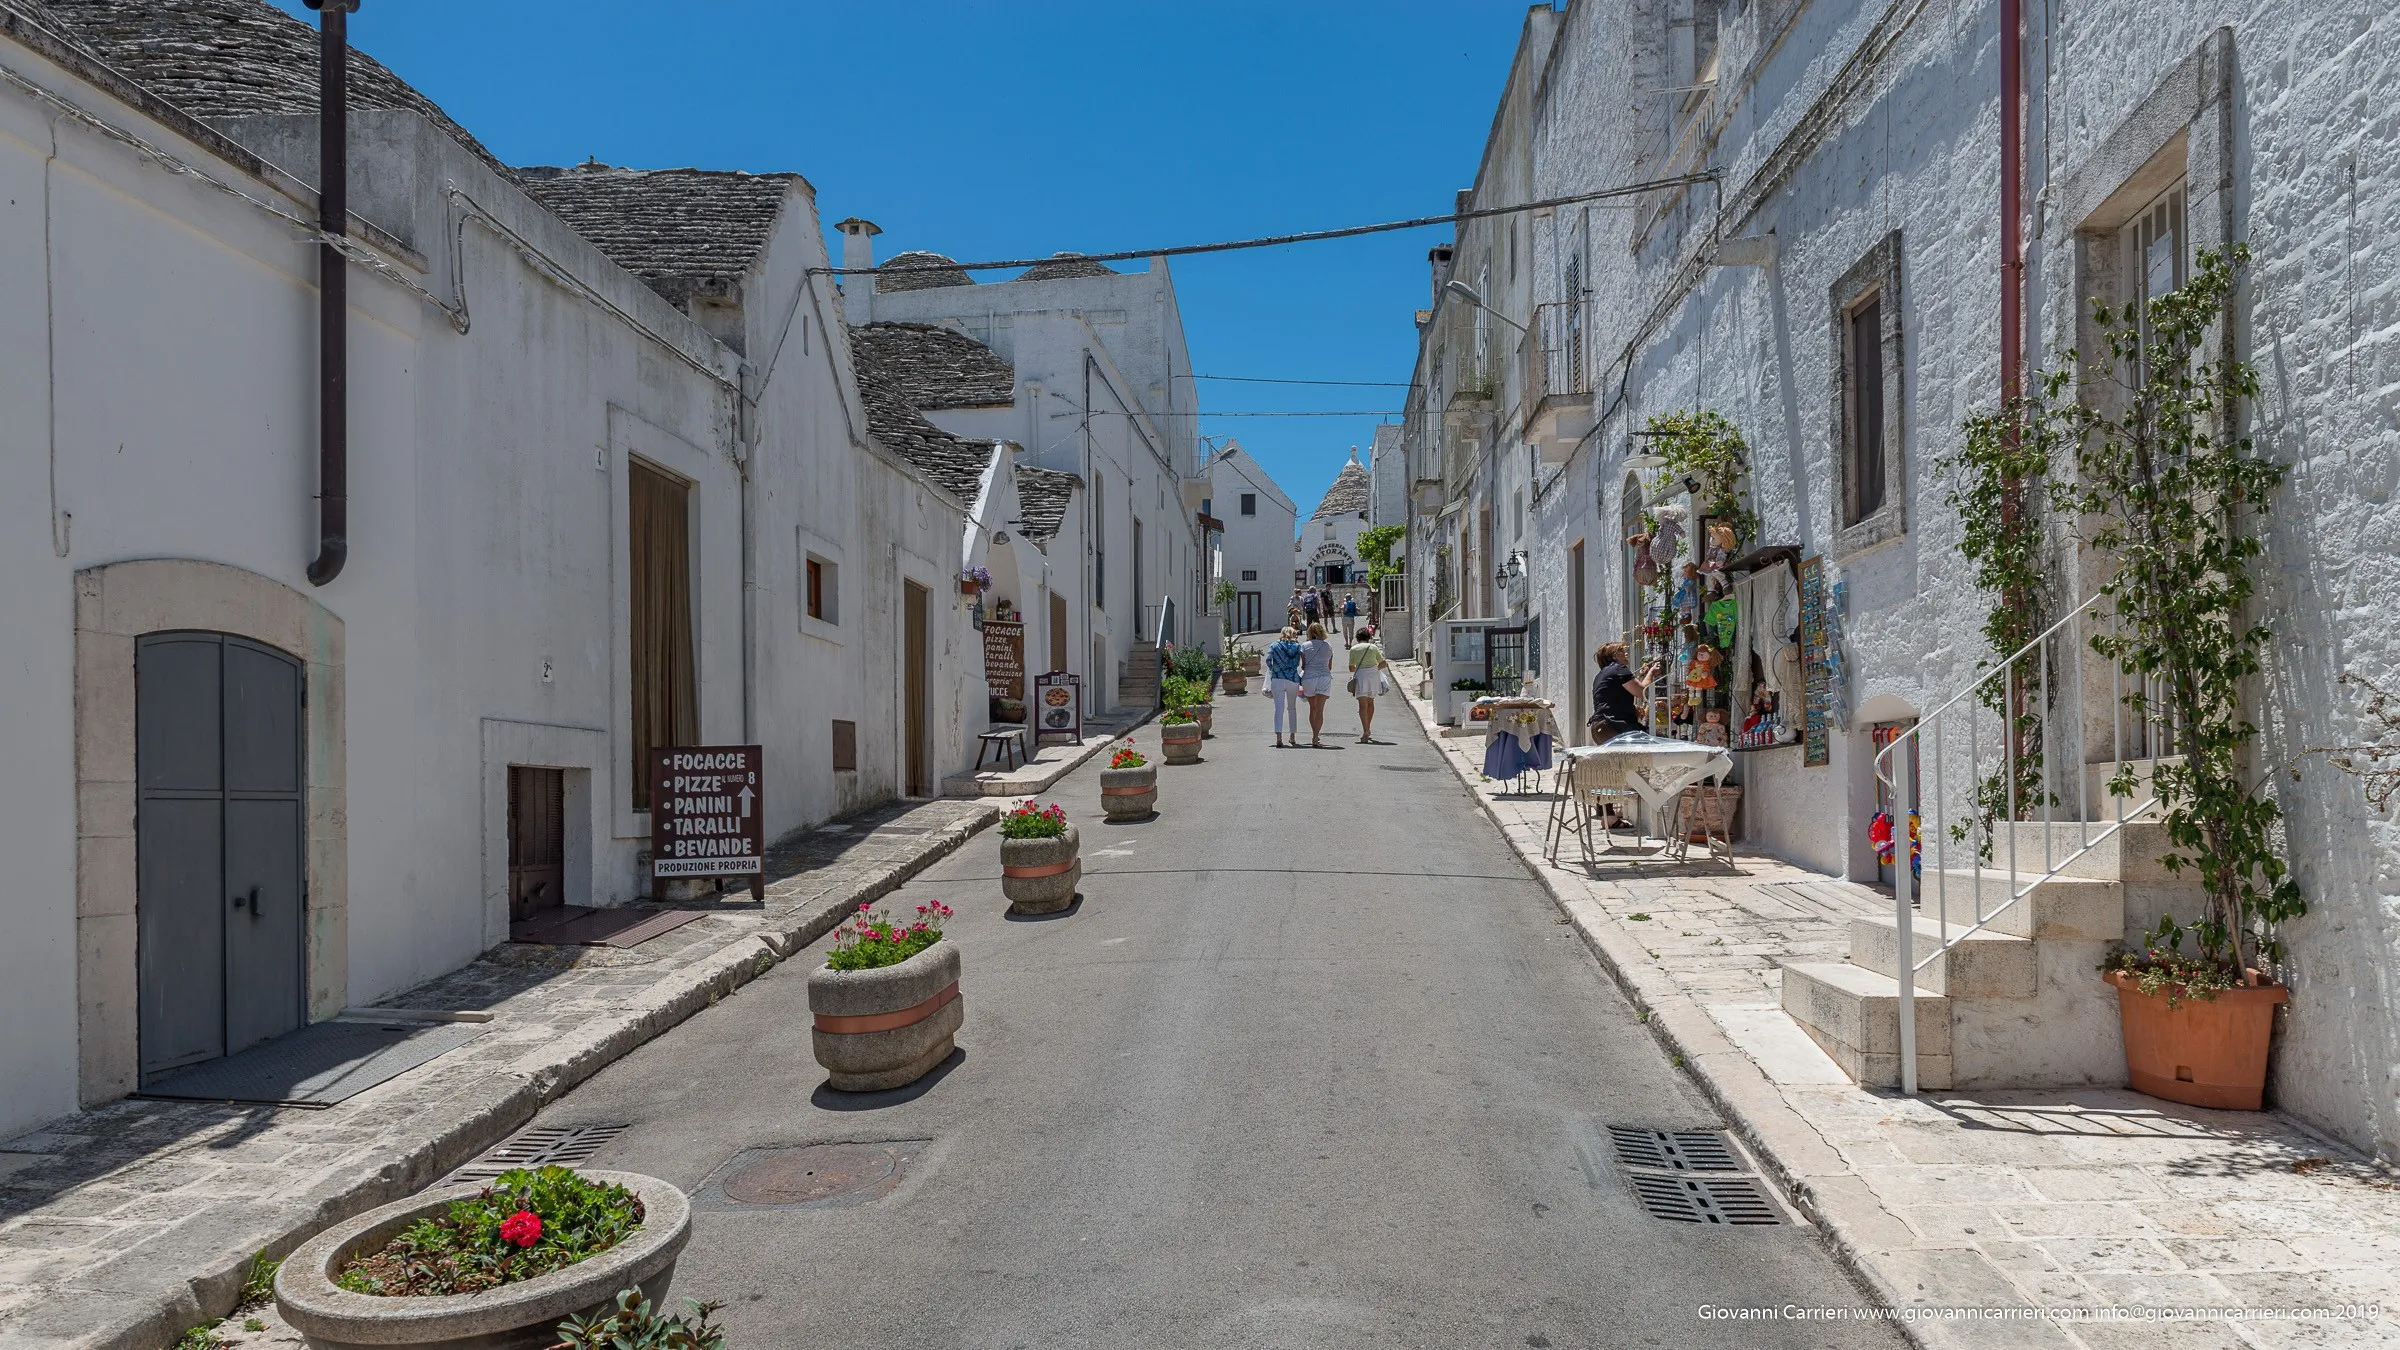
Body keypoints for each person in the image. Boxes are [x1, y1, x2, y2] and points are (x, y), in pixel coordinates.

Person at [1589, 641, 1663, 743]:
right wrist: (1651, 672)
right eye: (1621, 651)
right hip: (1614, 725)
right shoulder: (1619, 669)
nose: (1626, 653)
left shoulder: (1601, 674)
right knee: (1661, 741)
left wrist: (1632, 708)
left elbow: (1610, 699)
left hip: (1599, 728)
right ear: (1614, 656)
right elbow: (1641, 691)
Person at [1266, 626, 1306, 748]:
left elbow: (1268, 660)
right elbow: (1302, 663)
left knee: (1279, 708)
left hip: (1277, 679)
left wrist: (1274, 669)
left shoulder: (1274, 645)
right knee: (1292, 708)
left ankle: (1279, 737)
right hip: (1292, 679)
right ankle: (1292, 736)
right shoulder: (1298, 646)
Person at [1299, 621, 1338, 747]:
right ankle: (1316, 737)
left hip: (1308, 678)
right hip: (1324, 677)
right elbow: (1329, 666)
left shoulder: (1304, 646)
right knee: (1320, 710)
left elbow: (1303, 666)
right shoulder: (1328, 646)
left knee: (1312, 708)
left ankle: (1314, 734)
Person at [1348, 623, 1387, 743]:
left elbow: (1351, 668)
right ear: (1368, 637)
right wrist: (1375, 668)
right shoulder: (1373, 648)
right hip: (1373, 676)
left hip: (1361, 677)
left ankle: (1365, 730)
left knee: (1362, 706)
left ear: (1357, 638)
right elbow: (1383, 663)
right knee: (1371, 703)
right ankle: (1368, 728)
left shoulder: (1354, 649)